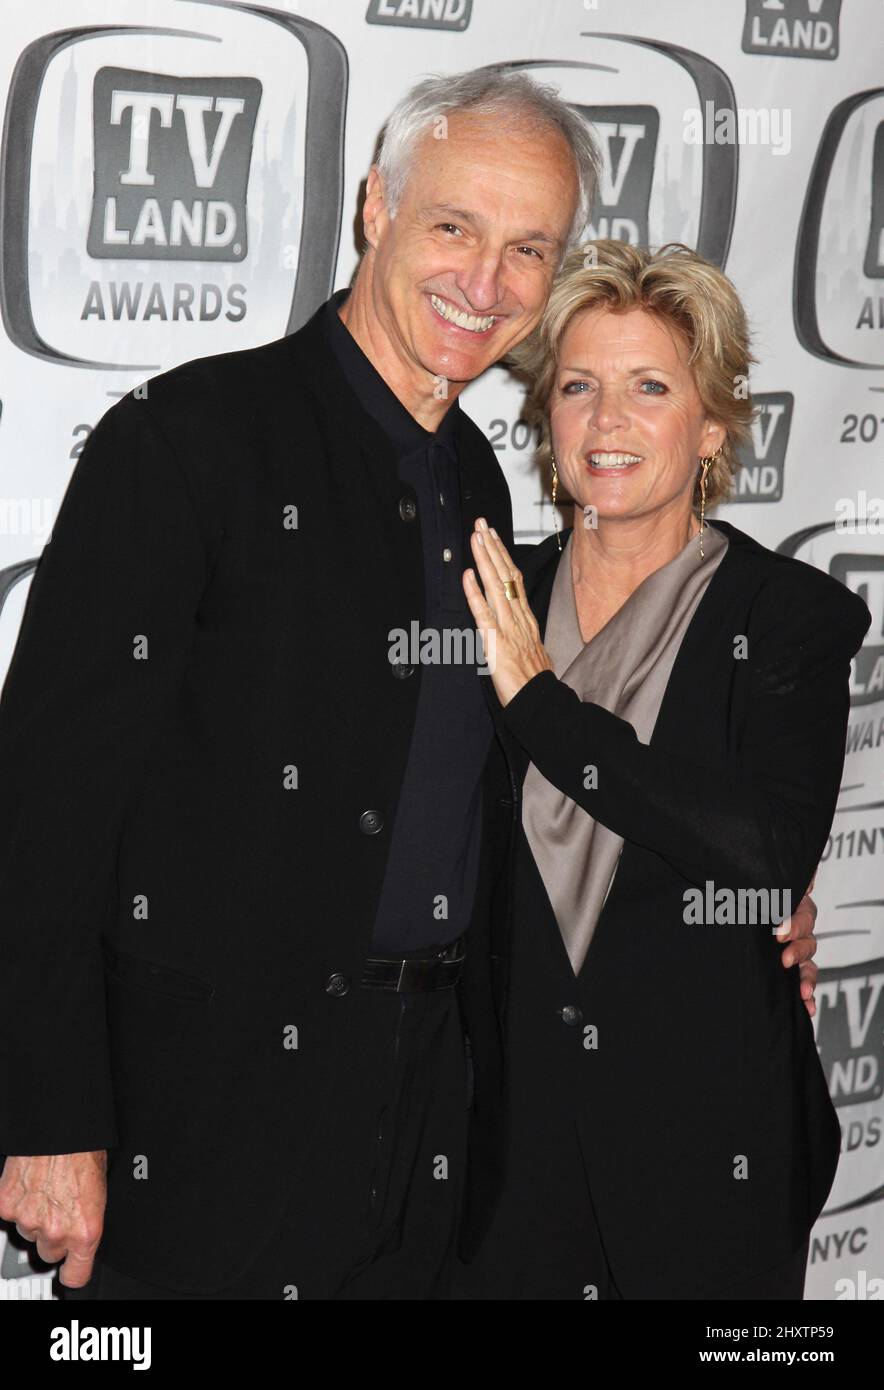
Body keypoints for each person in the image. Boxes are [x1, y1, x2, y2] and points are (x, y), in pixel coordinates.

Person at [0, 72, 817, 1302]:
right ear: (375, 206)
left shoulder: (483, 491)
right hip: (212, 1116)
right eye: (454, 226)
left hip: (442, 1118)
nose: (484, 281)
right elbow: (41, 810)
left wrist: (750, 916)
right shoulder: (188, 441)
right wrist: (47, 1117)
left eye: (527, 246)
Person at [455, 240, 869, 1300]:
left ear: (713, 427)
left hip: (709, 1184)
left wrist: (541, 707)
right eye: (579, 386)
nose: (606, 422)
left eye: (649, 388)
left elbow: (766, 852)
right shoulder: (486, 596)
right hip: (502, 1185)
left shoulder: (785, 618)